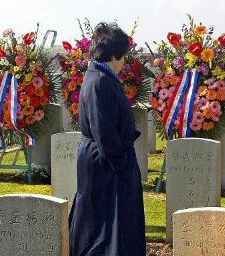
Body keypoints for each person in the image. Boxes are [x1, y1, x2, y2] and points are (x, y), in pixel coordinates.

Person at [69, 22, 146, 255]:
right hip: (106, 164)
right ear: (114, 54)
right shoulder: (100, 81)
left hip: (104, 160)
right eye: (124, 55)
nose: (124, 62)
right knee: (104, 225)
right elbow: (105, 131)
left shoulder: (99, 76)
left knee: (108, 222)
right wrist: (122, 164)